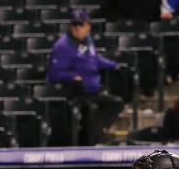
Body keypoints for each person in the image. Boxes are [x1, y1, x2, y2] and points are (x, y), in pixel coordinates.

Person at [47, 9, 124, 146]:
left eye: (80, 24)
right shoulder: (63, 46)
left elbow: (94, 60)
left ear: (88, 26)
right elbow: (55, 73)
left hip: (92, 91)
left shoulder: (87, 41)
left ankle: (99, 131)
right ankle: (94, 145)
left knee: (116, 102)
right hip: (73, 93)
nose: (77, 28)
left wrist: (113, 65)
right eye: (74, 24)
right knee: (92, 109)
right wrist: (73, 77)